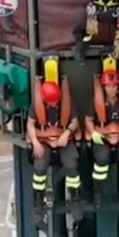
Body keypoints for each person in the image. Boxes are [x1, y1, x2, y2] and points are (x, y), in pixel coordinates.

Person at [85, 68, 119, 206]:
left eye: (114, 86)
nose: (111, 89)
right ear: (104, 87)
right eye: (108, 86)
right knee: (101, 159)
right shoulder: (96, 101)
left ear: (118, 87)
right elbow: (88, 120)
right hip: (103, 138)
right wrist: (93, 133)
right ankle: (98, 195)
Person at [28, 78, 81, 213]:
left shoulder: (66, 103)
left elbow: (74, 122)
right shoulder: (37, 104)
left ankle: (75, 198)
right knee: (39, 167)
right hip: (44, 140)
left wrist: (66, 133)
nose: (54, 104)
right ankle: (38, 201)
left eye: (56, 100)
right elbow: (30, 124)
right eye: (51, 101)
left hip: (63, 139)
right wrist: (35, 142)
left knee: (71, 165)